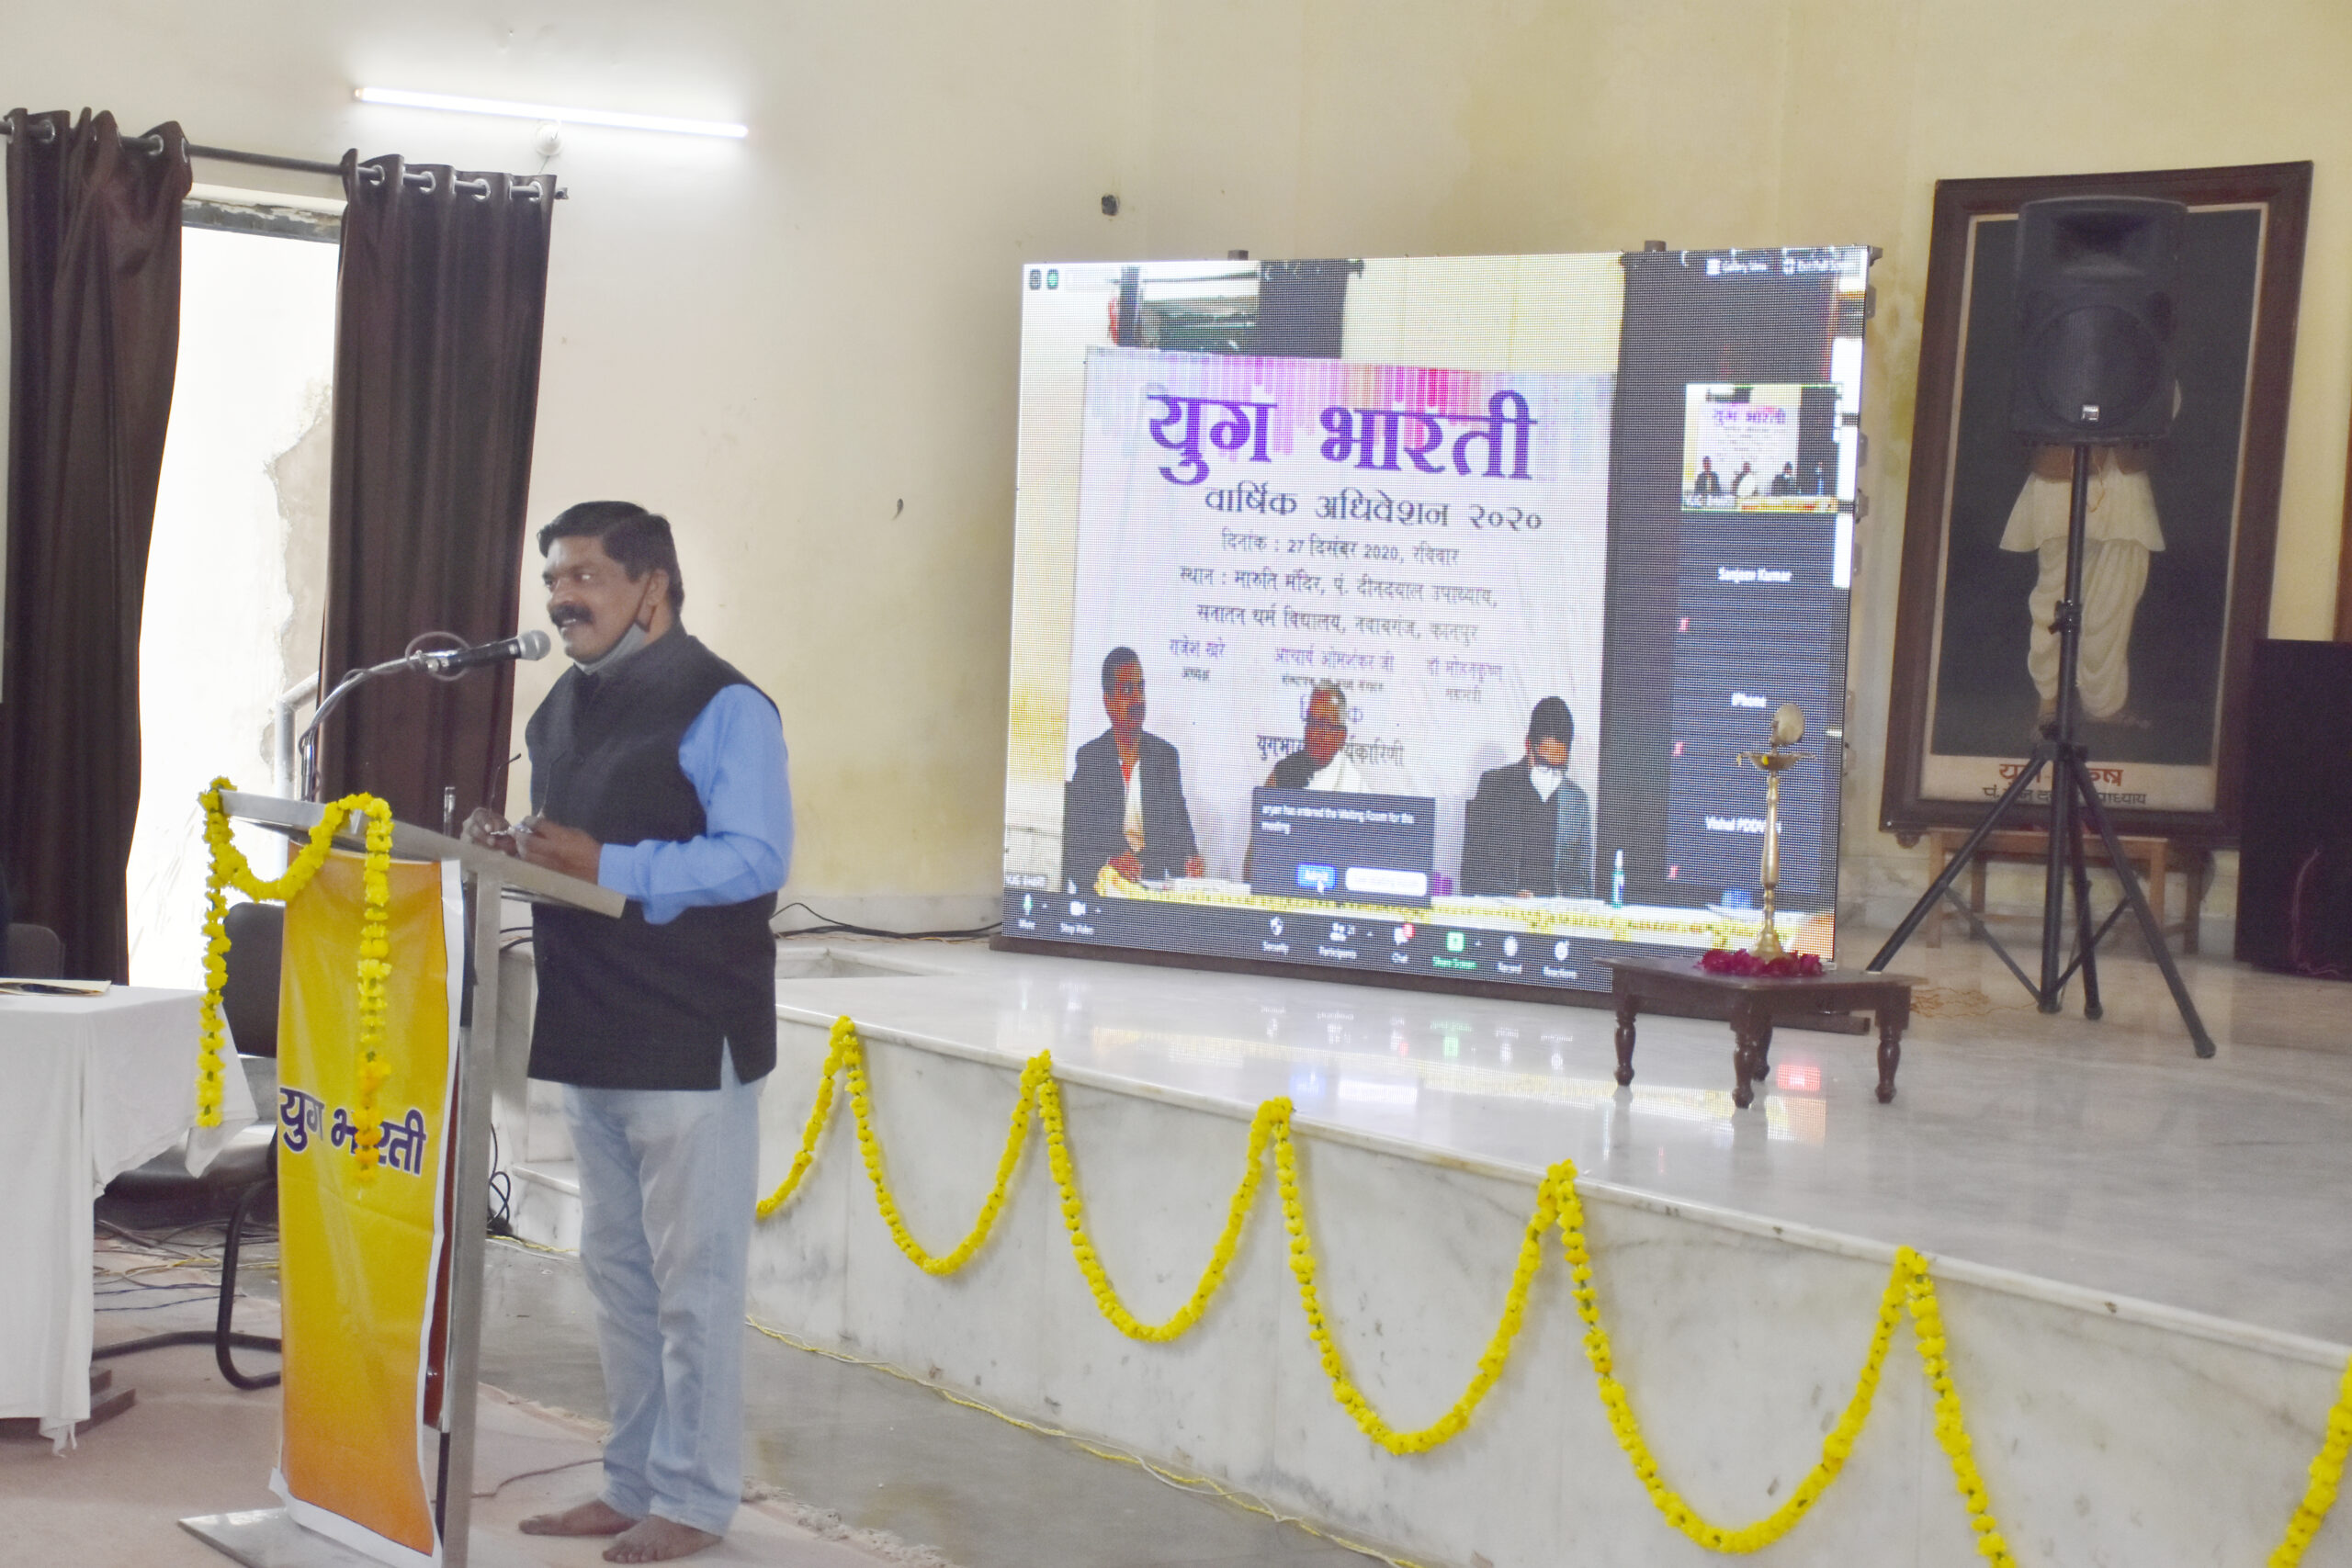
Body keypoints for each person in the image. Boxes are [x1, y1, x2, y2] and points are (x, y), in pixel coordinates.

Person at [465, 501, 792, 1565]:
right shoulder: (560, 707)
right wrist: (511, 848)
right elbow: (571, 852)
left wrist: (608, 864)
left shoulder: (726, 705)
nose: (562, 599)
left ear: (652, 586)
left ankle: (693, 1501)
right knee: (616, 1276)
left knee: (694, 1287)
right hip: (589, 1021)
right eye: (554, 580)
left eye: (585, 577)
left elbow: (756, 857)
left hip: (690, 1034)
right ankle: (630, 1483)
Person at [1998, 443, 2164, 729]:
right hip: (2061, 469)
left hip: (2125, 472)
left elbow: (2164, 417)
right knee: (2053, 600)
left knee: (2116, 602)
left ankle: (2103, 704)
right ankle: (2049, 701)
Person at [1062, 648, 1204, 891]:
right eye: (1127, 690)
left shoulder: (1164, 758)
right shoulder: (1091, 760)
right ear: (1108, 701)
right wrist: (1109, 863)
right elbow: (1076, 846)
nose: (1138, 700)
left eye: (1141, 688)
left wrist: (1190, 861)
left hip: (1152, 889)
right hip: (1103, 891)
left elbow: (1180, 832)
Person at [1459, 697, 1594, 899]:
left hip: (1555, 916)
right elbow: (1471, 875)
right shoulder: (1494, 788)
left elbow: (1583, 883)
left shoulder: (1577, 803)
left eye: (1559, 767)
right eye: (1544, 764)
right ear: (1528, 745)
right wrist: (1511, 895)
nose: (1551, 774)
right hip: (1504, 912)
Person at [1266, 682, 1366, 792]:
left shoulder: (1355, 784)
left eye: (1324, 725)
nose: (1314, 733)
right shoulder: (1284, 771)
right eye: (1311, 722)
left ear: (1341, 736)